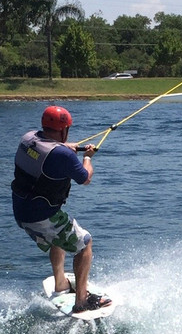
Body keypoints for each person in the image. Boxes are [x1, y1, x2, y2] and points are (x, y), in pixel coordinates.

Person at [12, 105, 111, 313]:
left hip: (22, 213)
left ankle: (61, 283)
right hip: (42, 216)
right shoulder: (62, 156)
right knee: (85, 243)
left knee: (58, 237)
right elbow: (85, 178)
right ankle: (82, 302)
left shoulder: (27, 138)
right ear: (64, 129)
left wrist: (66, 147)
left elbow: (47, 150)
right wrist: (87, 158)